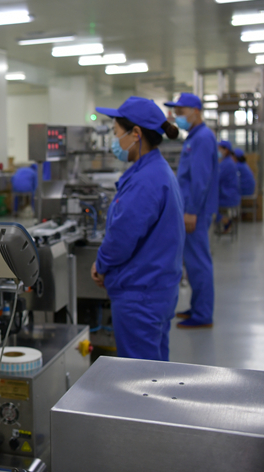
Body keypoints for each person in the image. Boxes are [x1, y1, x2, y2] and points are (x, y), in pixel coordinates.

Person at [90, 97, 184, 361]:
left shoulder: (145, 181)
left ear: (136, 133)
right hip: (156, 289)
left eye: (116, 133)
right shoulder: (156, 171)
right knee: (156, 369)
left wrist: (101, 265)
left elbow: (122, 238)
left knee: (140, 375)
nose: (115, 141)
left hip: (140, 295)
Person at [165, 93, 219, 329]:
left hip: (196, 210)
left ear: (196, 111)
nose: (178, 116)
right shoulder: (194, 137)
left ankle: (203, 314)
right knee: (193, 261)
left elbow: (200, 179)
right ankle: (197, 307)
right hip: (191, 208)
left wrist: (192, 211)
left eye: (181, 111)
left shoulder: (203, 138)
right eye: (176, 112)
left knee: (198, 262)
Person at [215, 140, 240, 231]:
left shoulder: (227, 164)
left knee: (208, 205)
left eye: (219, 149)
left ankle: (225, 221)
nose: (217, 151)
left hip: (228, 196)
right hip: (229, 194)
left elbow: (216, 179)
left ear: (226, 150)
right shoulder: (227, 162)